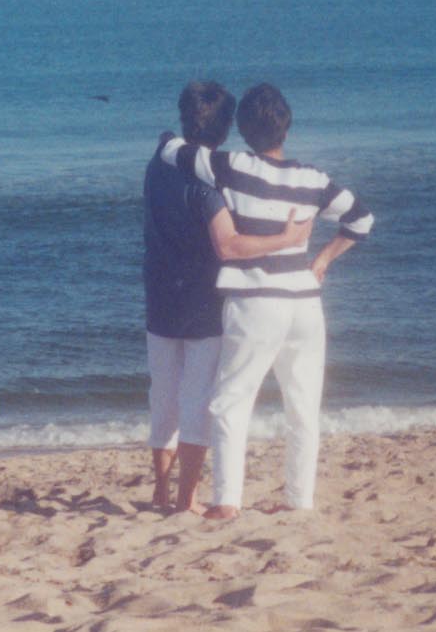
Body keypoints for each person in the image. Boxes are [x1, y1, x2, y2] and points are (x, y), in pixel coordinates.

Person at [157, 82, 373, 518]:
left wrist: (169, 136)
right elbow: (362, 219)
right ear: (286, 132)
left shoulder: (232, 166)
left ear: (242, 130)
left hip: (257, 302)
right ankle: (299, 501)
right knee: (303, 407)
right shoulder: (313, 180)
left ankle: (227, 502)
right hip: (305, 304)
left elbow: (173, 153)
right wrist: (324, 259)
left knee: (230, 402)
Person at [143, 81, 311, 513]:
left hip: (160, 296)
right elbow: (230, 246)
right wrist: (285, 238)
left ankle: (161, 490)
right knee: (197, 399)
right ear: (223, 131)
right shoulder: (209, 189)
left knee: (163, 397)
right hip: (203, 303)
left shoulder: (157, 161)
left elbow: (167, 139)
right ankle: (186, 500)